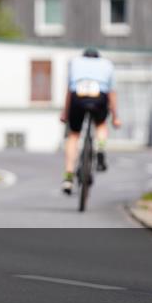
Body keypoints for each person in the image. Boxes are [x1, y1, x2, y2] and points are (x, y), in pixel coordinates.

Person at [59, 48, 121, 195]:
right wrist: (115, 116)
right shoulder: (107, 64)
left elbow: (69, 90)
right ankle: (100, 148)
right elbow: (111, 93)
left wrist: (65, 113)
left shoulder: (75, 63)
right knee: (100, 124)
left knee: (73, 135)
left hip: (78, 96)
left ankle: (68, 177)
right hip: (99, 96)